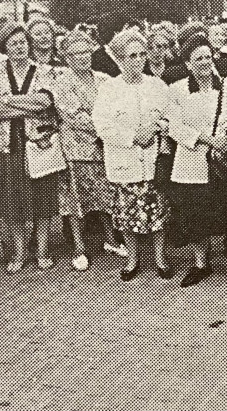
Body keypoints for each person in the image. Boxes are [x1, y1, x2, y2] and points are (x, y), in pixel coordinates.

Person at [166, 34, 227, 288]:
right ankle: (201, 264)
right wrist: (207, 140)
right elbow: (175, 127)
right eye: (197, 59)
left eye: (207, 56)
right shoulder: (177, 90)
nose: (204, 62)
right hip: (192, 163)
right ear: (188, 65)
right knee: (196, 215)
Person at [92, 29, 173, 281]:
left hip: (153, 160)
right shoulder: (110, 89)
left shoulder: (157, 85)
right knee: (127, 214)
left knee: (157, 211)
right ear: (120, 59)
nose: (138, 60)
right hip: (124, 160)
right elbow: (102, 124)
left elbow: (171, 114)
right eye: (131, 56)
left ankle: (160, 258)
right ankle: (132, 259)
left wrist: (156, 126)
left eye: (141, 55)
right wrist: (132, 137)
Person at [0, 22, 62, 273]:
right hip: (6, 147)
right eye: (14, 43)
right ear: (5, 47)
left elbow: (45, 101)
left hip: (38, 144)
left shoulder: (43, 70)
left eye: (23, 42)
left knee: (42, 198)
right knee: (11, 200)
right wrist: (25, 107)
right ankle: (18, 252)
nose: (20, 47)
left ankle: (42, 250)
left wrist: (7, 100)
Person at [55, 30, 125, 271]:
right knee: (75, 197)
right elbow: (73, 115)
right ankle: (79, 247)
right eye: (75, 54)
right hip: (76, 148)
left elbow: (116, 109)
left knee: (107, 194)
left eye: (85, 51)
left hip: (104, 147)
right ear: (66, 57)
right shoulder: (63, 81)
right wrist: (104, 127)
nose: (82, 57)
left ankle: (110, 239)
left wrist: (108, 127)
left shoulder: (104, 79)